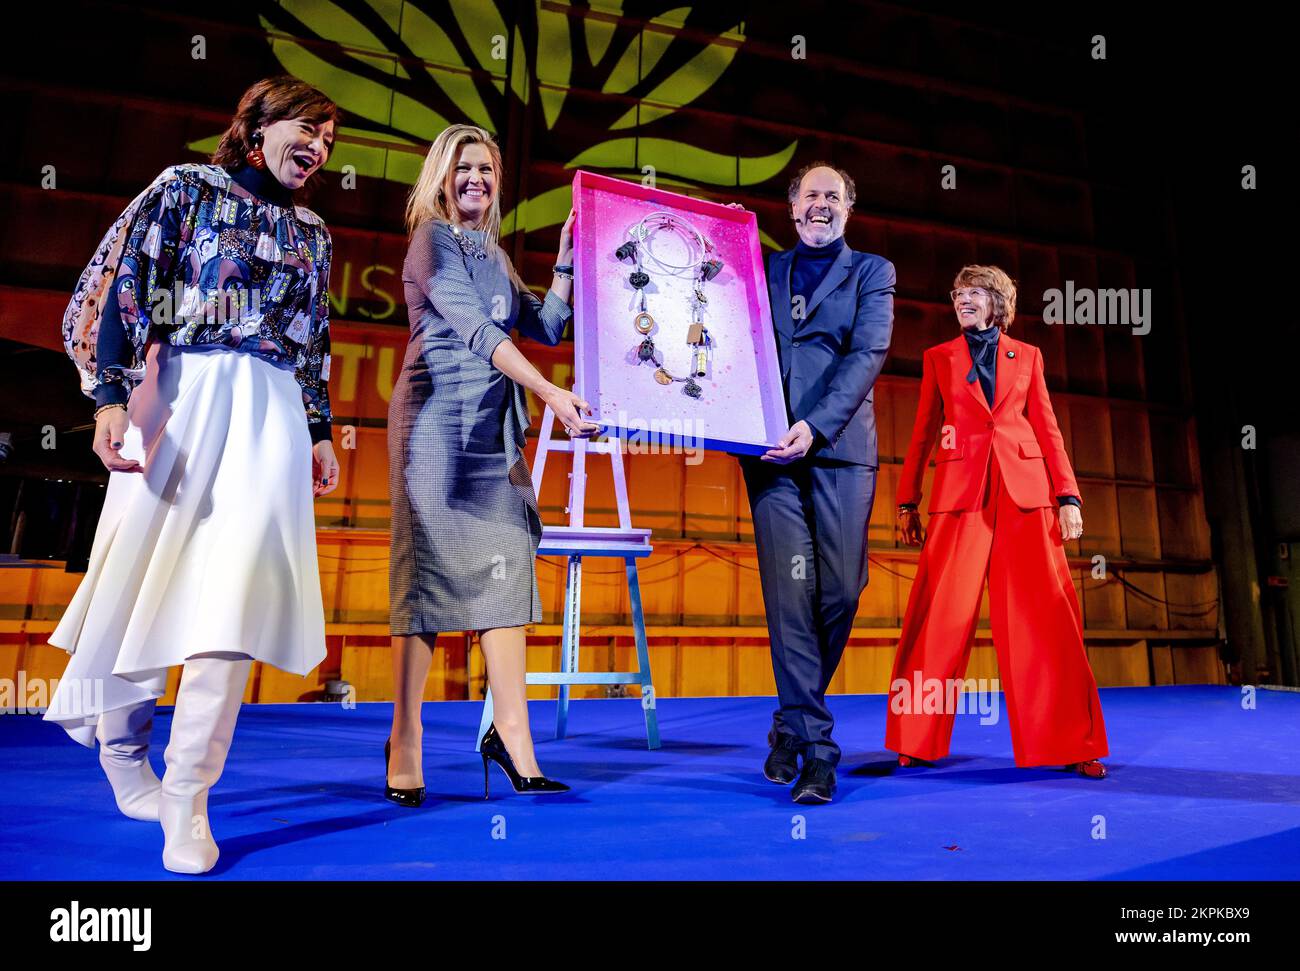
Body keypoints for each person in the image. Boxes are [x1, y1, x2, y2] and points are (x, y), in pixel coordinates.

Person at [49, 75, 342, 872]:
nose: (319, 145)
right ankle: (122, 750)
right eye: (307, 127)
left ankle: (188, 793)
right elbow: (127, 294)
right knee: (145, 581)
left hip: (273, 414)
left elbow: (312, 343)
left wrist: (317, 432)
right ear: (258, 125)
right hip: (181, 394)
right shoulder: (185, 190)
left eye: (329, 137)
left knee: (234, 602)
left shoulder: (315, 234)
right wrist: (109, 398)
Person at [384, 124, 599, 806]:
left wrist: (565, 258)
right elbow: (479, 332)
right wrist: (551, 393)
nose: (475, 177)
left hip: (492, 431)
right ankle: (405, 738)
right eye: (463, 167)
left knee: (508, 563)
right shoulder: (431, 241)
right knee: (426, 580)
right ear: (441, 177)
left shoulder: (496, 254)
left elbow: (547, 323)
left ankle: (512, 734)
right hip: (435, 424)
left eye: (485, 167)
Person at [887, 265, 1108, 778]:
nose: (962, 300)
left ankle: (1070, 744)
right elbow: (922, 434)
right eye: (957, 293)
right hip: (958, 496)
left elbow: (1048, 428)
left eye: (974, 293)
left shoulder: (1028, 356)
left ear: (998, 302)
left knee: (1046, 619)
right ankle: (915, 738)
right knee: (938, 617)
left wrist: (1068, 495)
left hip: (1025, 495)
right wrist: (906, 501)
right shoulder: (938, 358)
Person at [738, 161, 895, 804]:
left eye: (834, 194)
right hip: (770, 454)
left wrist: (815, 425)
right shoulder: (759, 268)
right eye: (811, 194)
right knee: (789, 597)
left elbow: (868, 354)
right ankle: (818, 748)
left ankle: (787, 723)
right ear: (792, 207)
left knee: (841, 592)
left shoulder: (873, 273)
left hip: (838, 451)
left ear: (848, 209)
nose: (821, 204)